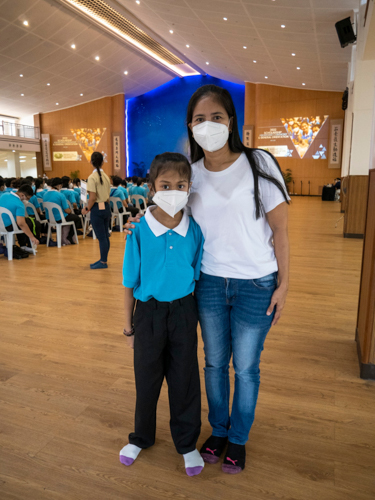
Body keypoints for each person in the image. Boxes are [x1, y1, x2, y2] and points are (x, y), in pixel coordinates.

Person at [125, 84, 290, 475]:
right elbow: (170, 213)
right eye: (200, 119)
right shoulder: (191, 174)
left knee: (246, 366)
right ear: (190, 126)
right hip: (210, 284)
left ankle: (238, 438)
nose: (209, 125)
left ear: (231, 121)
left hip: (256, 283)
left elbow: (280, 231)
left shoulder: (259, 163)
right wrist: (139, 224)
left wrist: (285, 285)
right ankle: (218, 431)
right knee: (214, 364)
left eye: (217, 117)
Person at [120, 152, 205, 477]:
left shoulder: (194, 229)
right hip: (148, 314)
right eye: (165, 184)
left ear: (189, 187)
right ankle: (141, 436)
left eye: (180, 184)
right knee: (147, 378)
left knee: (184, 379)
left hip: (184, 312)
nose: (173, 190)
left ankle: (187, 443)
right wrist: (128, 328)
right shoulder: (139, 229)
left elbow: (195, 273)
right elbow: (129, 281)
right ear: (152, 187)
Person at [81, 152, 111, 269]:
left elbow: (92, 197)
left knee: (101, 237)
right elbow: (107, 196)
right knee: (105, 236)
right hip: (106, 207)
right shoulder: (106, 177)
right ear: (103, 162)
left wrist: (87, 208)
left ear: (91, 162)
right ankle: (103, 259)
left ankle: (103, 262)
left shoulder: (92, 178)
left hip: (97, 209)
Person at [0, 183, 40, 250]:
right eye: (27, 198)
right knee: (34, 223)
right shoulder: (19, 204)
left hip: (1, 224)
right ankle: (29, 245)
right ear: (22, 195)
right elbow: (21, 223)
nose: (27, 200)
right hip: (9, 227)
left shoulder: (4, 195)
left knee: (24, 221)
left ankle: (23, 244)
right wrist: (32, 237)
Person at [44, 178, 80, 246]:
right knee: (77, 218)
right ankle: (69, 237)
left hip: (49, 219)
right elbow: (66, 210)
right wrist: (71, 211)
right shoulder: (60, 195)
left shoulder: (45, 194)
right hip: (60, 218)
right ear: (59, 185)